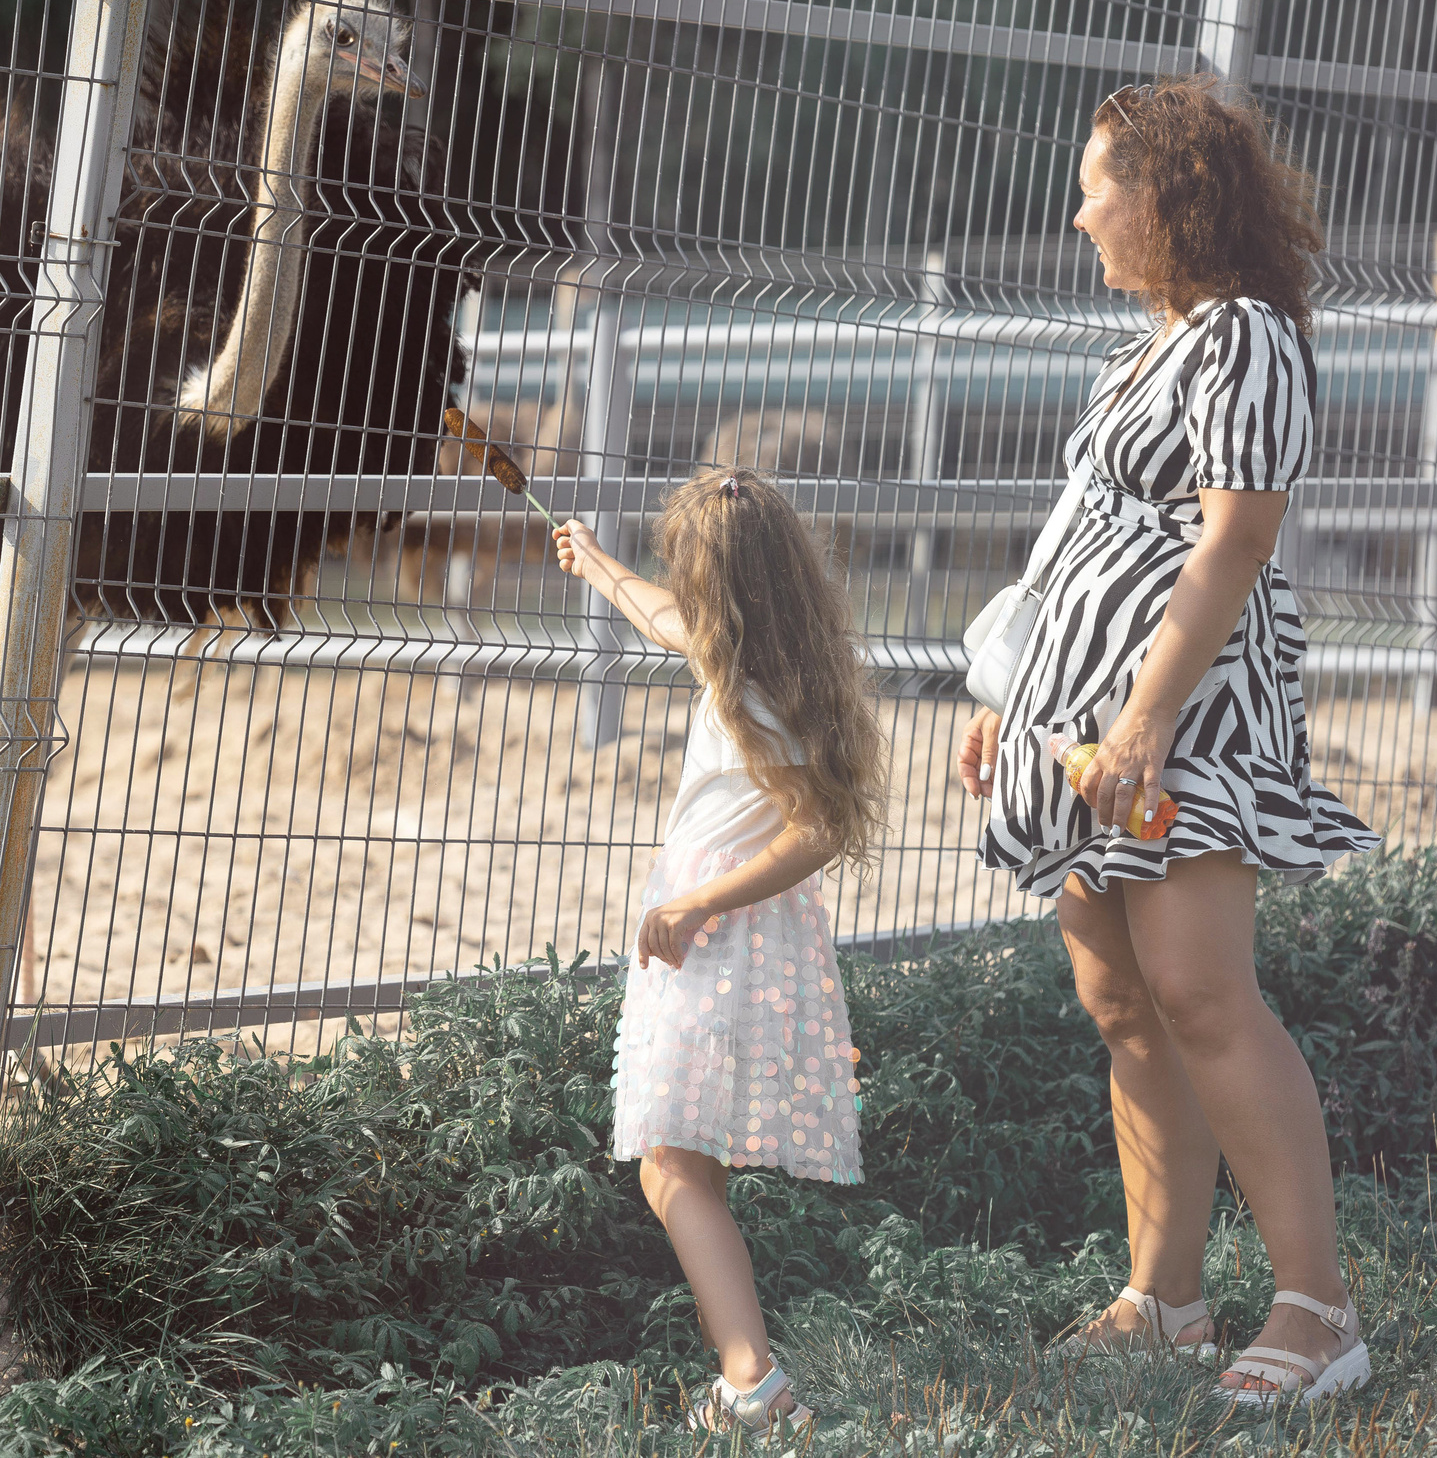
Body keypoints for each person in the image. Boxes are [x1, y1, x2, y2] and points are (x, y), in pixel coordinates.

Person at [959, 77, 1380, 1406]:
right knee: (1122, 1000)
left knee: (1200, 989)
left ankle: (1318, 1310)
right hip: (1085, 722)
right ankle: (1166, 1298)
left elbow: (1237, 537)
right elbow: (1074, 543)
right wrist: (1011, 689)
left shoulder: (1245, 335)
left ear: (1169, 194)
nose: (1080, 210)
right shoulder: (1137, 353)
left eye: (1099, 183)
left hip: (1182, 720)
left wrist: (1143, 712)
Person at [556, 471, 886, 1433]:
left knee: (670, 1167)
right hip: (734, 942)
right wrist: (598, 564)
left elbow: (818, 829)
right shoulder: (762, 664)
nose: (677, 589)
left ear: (719, 588)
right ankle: (745, 1377)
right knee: (687, 1164)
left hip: (718, 945)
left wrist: (698, 901)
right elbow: (662, 618)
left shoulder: (753, 693)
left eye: (683, 572)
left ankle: (752, 1380)